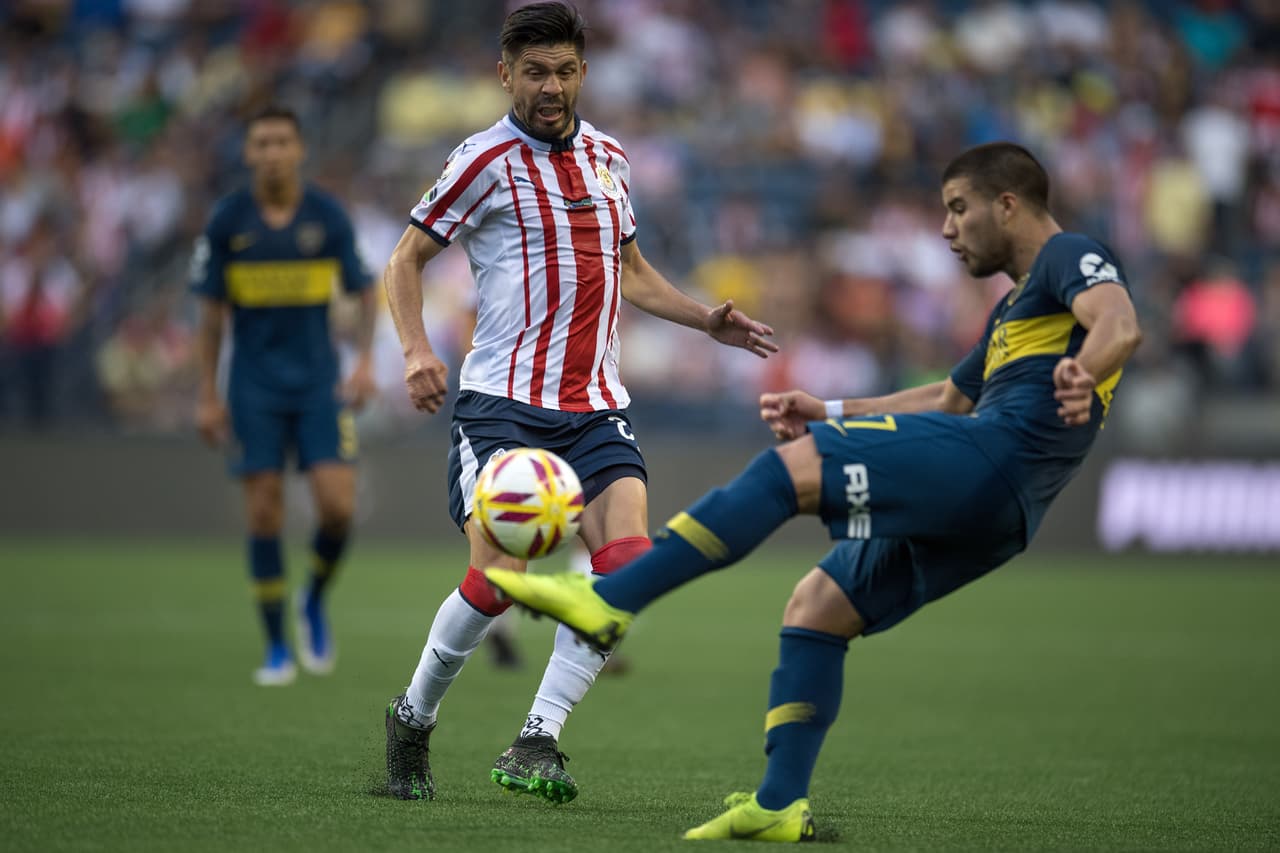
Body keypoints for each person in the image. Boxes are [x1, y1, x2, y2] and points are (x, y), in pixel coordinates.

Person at [486, 141, 1143, 840]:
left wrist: (1084, 370)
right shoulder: (1013, 309)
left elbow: (1120, 323)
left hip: (997, 461)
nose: (947, 229)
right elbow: (951, 396)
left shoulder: (1068, 253)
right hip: (1004, 510)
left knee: (789, 470)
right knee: (818, 606)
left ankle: (608, 599)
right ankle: (779, 803)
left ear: (1007, 204)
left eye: (958, 209)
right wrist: (830, 410)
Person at [381, 1, 777, 804]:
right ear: (506, 74)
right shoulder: (482, 158)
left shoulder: (609, 158)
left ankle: (538, 736)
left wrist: (707, 319)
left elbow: (632, 272)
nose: (551, 86)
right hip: (503, 407)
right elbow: (405, 258)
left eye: (564, 70)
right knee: (498, 580)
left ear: (583, 72)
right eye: (534, 72)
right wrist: (418, 350)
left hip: (596, 407)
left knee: (629, 568)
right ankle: (412, 715)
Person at [191, 105, 377, 687]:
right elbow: (211, 316)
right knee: (265, 510)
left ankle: (313, 598)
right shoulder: (228, 221)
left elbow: (365, 290)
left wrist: (366, 363)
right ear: (248, 153)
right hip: (252, 388)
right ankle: (275, 648)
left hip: (319, 385)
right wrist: (206, 394)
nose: (272, 152)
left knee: (338, 507)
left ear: (299, 150)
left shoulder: (326, 216)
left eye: (281, 142)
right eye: (262, 143)